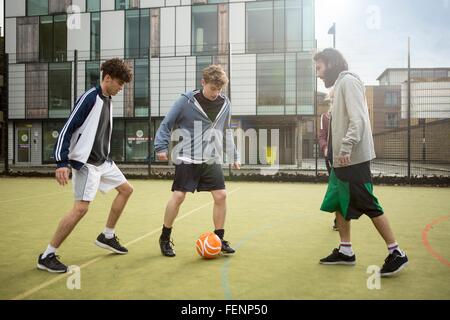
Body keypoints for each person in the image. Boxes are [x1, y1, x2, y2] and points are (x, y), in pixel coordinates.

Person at [314, 48, 408, 277]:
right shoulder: (339, 87)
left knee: (367, 203)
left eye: (319, 68)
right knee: (338, 202)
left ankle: (397, 252)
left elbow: (359, 120)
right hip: (340, 162)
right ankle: (346, 251)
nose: (317, 74)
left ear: (331, 64)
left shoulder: (349, 82)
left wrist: (346, 147)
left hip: (352, 160)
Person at [37, 58, 134, 273]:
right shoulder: (90, 98)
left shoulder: (109, 99)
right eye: (119, 83)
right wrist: (61, 162)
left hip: (103, 162)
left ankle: (106, 236)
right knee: (81, 209)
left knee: (126, 190)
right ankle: (47, 255)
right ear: (107, 78)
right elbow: (67, 128)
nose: (121, 88)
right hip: (86, 164)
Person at [154, 64, 240, 257]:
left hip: (211, 157)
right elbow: (167, 123)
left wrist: (233, 155)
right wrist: (160, 147)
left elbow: (226, 131)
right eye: (212, 88)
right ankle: (165, 238)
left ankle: (218, 239)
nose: (215, 93)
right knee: (178, 197)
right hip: (187, 156)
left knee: (221, 196)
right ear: (203, 83)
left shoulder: (225, 103)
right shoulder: (186, 101)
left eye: (219, 89)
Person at [319, 109, 338, 231]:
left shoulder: (345, 112)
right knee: (336, 186)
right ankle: (338, 219)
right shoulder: (324, 117)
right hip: (331, 157)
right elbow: (322, 136)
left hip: (346, 156)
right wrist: (325, 148)